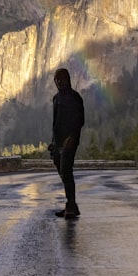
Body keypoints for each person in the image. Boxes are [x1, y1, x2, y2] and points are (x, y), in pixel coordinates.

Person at [49, 67, 84, 219]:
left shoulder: (75, 97)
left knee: (66, 171)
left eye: (61, 78)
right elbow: (55, 122)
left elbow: (79, 121)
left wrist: (72, 138)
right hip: (57, 143)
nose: (58, 81)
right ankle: (72, 204)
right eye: (56, 79)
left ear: (67, 79)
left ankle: (70, 205)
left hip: (70, 142)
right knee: (63, 172)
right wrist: (53, 142)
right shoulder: (56, 98)